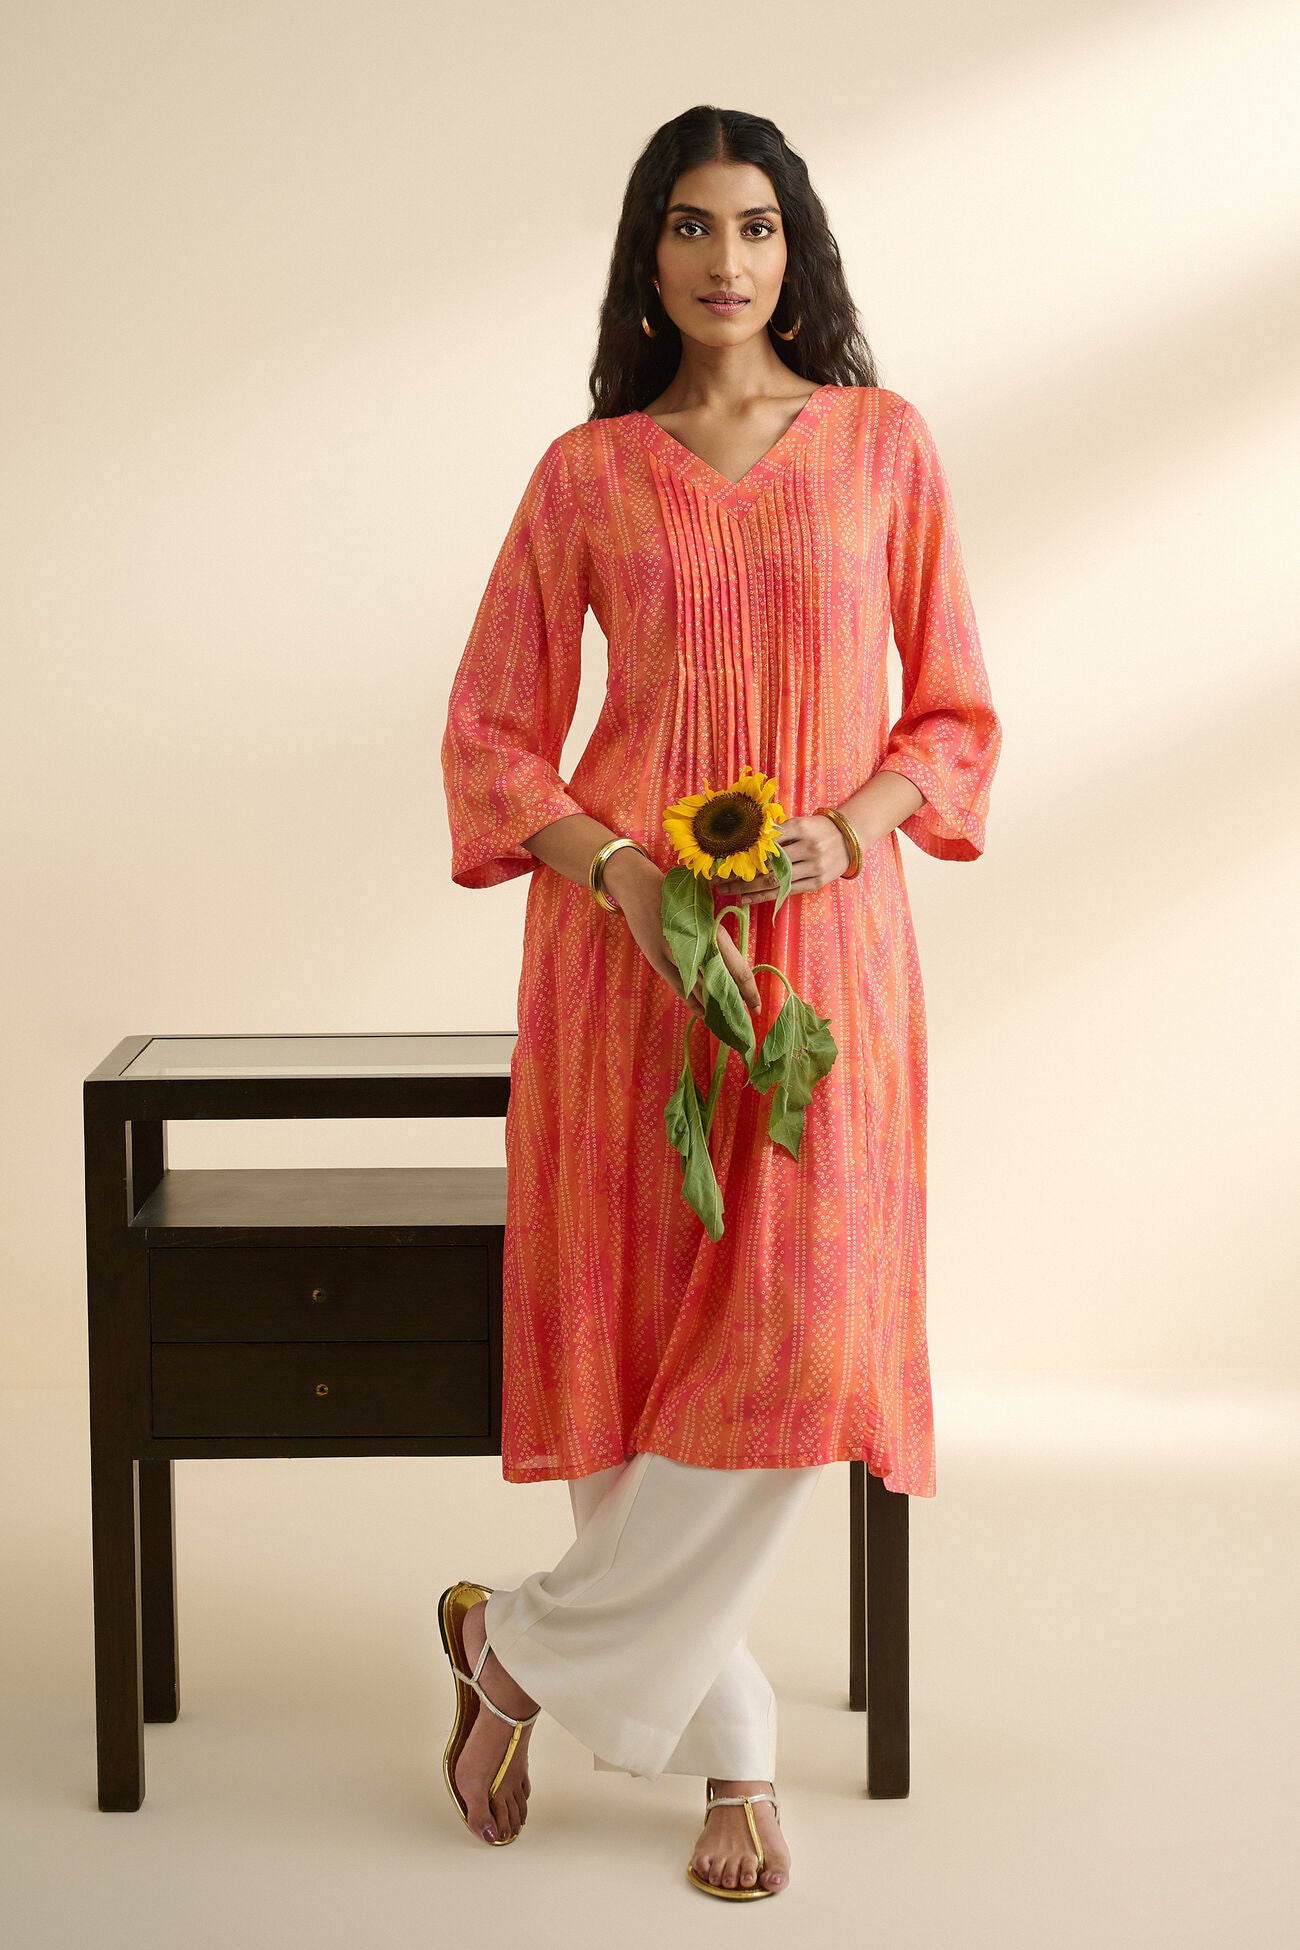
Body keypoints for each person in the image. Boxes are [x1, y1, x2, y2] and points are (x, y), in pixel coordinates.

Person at [438, 103, 1002, 1899]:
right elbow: (493, 735)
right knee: (637, 1326)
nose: (726, 259)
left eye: (756, 226)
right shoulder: (588, 475)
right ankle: (737, 1759)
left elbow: (954, 714)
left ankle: (516, 1646)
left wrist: (851, 827)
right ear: (648, 255)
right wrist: (618, 873)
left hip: (825, 953)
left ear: (797, 250)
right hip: (627, 955)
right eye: (691, 226)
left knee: (805, 1328)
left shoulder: (884, 447)